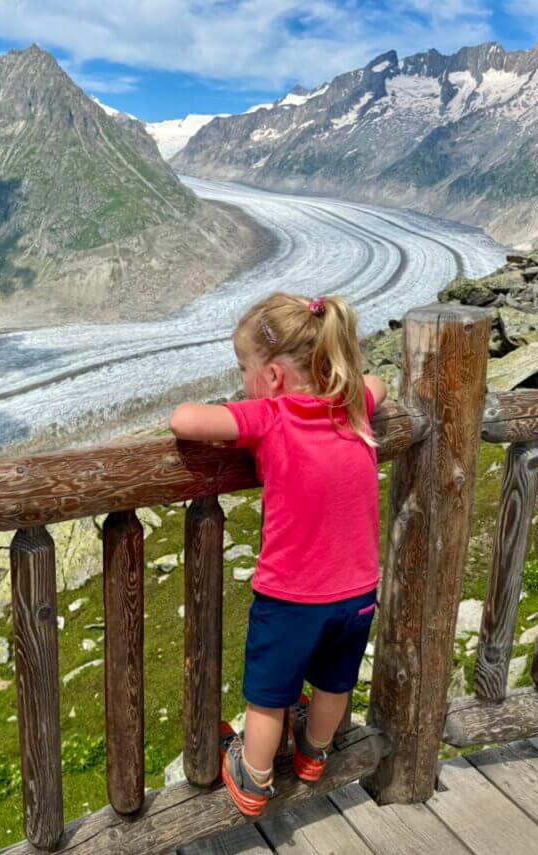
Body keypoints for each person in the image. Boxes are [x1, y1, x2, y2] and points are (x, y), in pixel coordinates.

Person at [168, 292, 385, 816]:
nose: (241, 378)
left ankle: (253, 776)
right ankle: (314, 753)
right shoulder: (352, 403)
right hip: (358, 592)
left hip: (293, 594)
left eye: (244, 367)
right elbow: (378, 383)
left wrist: (258, 407)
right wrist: (347, 385)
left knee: (267, 695)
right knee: (334, 680)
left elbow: (184, 420)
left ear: (274, 377)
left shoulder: (271, 417)